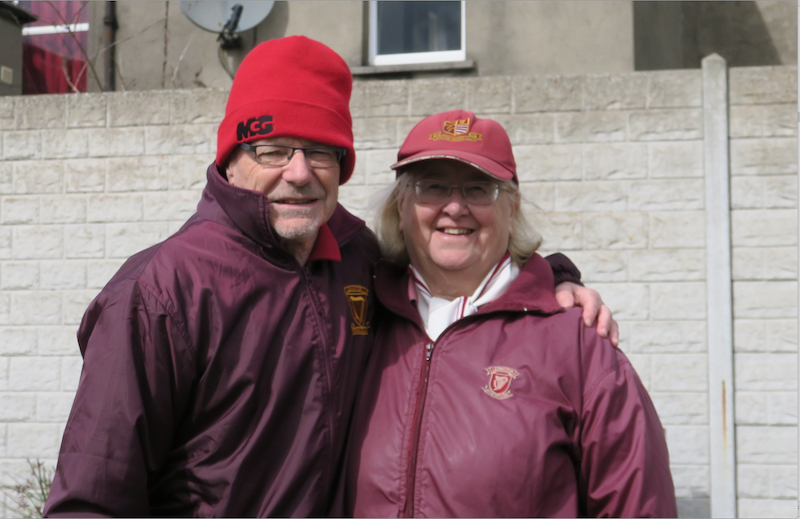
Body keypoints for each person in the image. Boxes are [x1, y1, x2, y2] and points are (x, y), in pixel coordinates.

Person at [43, 38, 612, 517]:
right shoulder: (159, 293)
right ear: (231, 160)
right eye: (273, 150)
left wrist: (553, 281)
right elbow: (90, 500)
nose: (299, 173)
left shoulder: (357, 255)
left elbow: (456, 262)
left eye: (321, 152)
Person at [347, 110, 678, 518]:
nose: (455, 206)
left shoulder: (579, 346)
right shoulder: (359, 320)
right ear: (401, 206)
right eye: (432, 187)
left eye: (479, 189)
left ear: (512, 207)